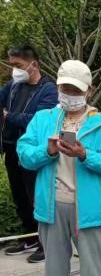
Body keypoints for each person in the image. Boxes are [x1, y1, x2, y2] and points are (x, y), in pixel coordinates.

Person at [17, 60, 101, 276]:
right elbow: (24, 153)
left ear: (89, 91)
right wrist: (48, 151)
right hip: (51, 205)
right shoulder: (43, 119)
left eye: (75, 90)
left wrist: (85, 155)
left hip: (88, 208)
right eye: (65, 88)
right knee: (54, 268)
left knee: (93, 268)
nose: (69, 94)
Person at [1, 46, 58, 263]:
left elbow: (38, 121)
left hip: (35, 152)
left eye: (18, 65)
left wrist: (9, 117)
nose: (14, 70)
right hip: (12, 148)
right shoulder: (14, 86)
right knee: (20, 196)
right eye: (12, 65)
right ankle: (30, 236)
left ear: (33, 64)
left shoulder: (49, 90)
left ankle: (46, 242)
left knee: (37, 196)